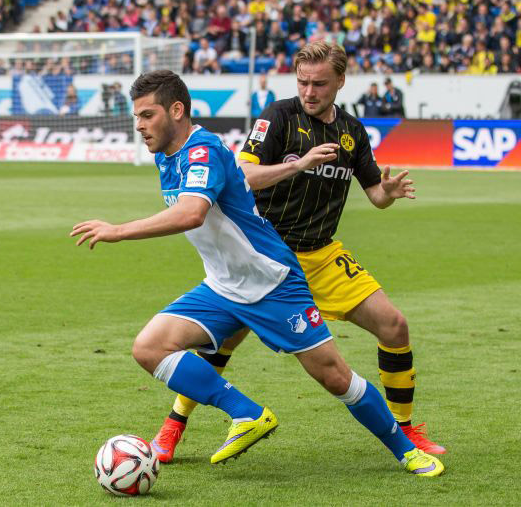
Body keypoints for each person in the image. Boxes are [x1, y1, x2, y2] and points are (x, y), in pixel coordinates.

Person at [72, 69, 443, 476]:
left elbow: (192, 213)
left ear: (176, 110)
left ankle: (406, 451)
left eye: (147, 115)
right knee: (148, 347)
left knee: (335, 376)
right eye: (137, 117)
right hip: (223, 286)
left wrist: (117, 231)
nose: (139, 126)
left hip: (271, 281)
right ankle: (247, 414)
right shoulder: (167, 158)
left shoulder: (204, 149)